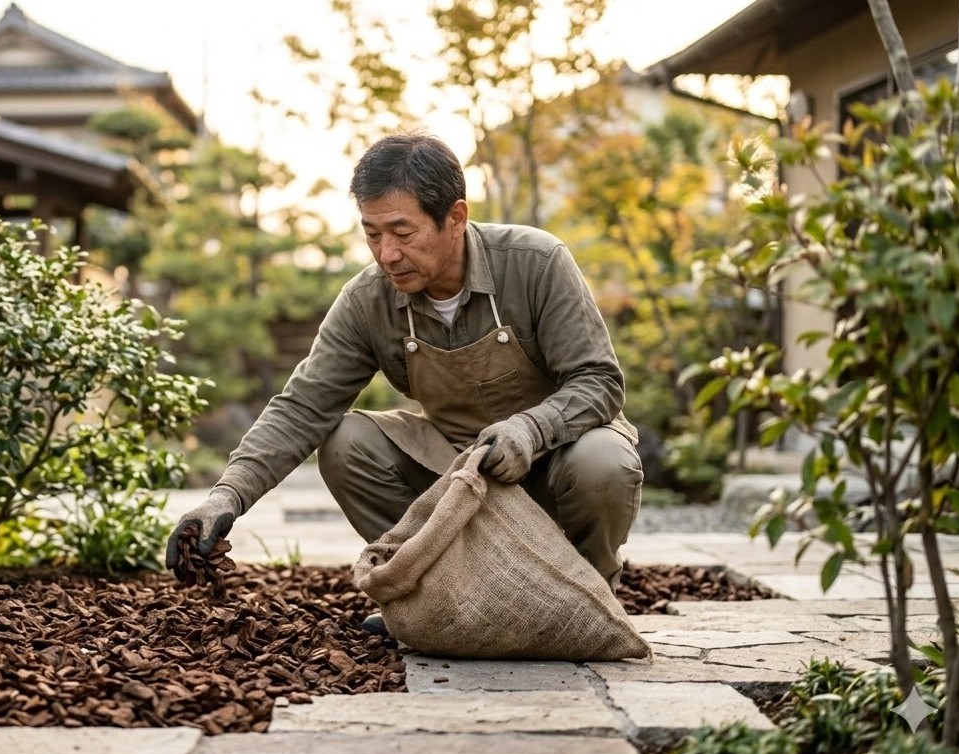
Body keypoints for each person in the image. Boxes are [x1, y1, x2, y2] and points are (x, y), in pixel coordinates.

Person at [165, 131, 643, 634]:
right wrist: (226, 496)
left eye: (401, 232)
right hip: (456, 471)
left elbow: (599, 381)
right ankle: (438, 597)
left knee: (603, 461)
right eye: (372, 234)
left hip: (553, 460)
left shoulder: (536, 263)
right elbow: (302, 407)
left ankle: (589, 602)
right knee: (346, 442)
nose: (386, 254)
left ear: (455, 218)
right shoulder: (368, 300)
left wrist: (531, 430)